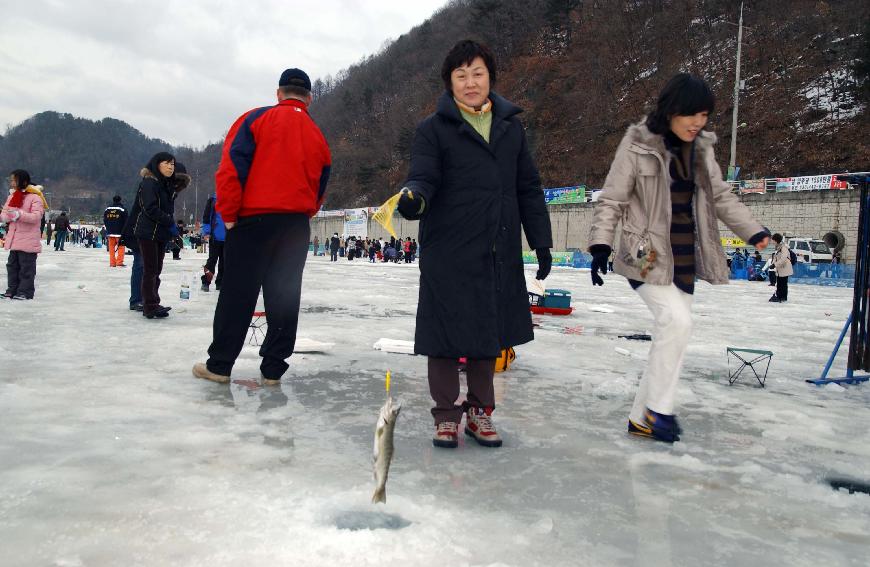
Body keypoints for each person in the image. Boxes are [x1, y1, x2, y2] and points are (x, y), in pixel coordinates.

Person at [587, 73, 770, 443]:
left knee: (673, 330)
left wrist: (754, 231)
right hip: (645, 256)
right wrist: (601, 245)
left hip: (685, 257)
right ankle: (660, 412)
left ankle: (642, 416)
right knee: (677, 321)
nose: (698, 123)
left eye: (704, 115)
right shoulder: (637, 145)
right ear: (672, 110)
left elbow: (720, 197)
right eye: (692, 115)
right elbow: (613, 198)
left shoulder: (702, 149)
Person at [396, 40, 553, 449]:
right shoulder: (432, 130)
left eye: (477, 74)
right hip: (447, 249)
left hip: (496, 248)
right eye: (461, 75)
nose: (470, 83)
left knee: (489, 333)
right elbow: (424, 177)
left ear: (490, 78)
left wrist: (541, 241)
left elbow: (528, 187)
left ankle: (480, 413)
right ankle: (446, 415)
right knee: (444, 335)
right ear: (449, 82)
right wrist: (414, 197)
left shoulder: (510, 127)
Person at [192, 67, 331, 385]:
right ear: (308, 99)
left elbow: (231, 169)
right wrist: (304, 213)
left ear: (279, 93)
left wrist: (228, 214)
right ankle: (272, 370)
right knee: (283, 295)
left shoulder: (254, 119)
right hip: (295, 225)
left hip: (253, 220)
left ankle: (221, 365)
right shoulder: (317, 135)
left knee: (237, 293)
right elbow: (321, 185)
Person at [131, 152, 182, 319]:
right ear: (157, 164)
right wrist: (169, 221)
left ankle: (154, 301)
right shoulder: (149, 183)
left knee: (156, 270)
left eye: (172, 164)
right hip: (147, 232)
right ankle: (149, 305)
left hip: (160, 233)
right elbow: (149, 208)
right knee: (150, 270)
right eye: (167, 163)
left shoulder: (165, 185)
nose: (170, 167)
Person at [1, 170, 47, 299]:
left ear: (24, 181)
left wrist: (19, 214)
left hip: (28, 240)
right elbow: (5, 213)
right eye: (11, 180)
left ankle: (25, 291)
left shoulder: (35, 198)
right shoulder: (12, 196)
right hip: (14, 239)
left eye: (14, 180)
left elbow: (36, 217)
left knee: (26, 268)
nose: (12, 183)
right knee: (12, 266)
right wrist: (5, 217)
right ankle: (12, 289)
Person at [200, 192, 227, 291]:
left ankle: (220, 283)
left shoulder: (234, 199)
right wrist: (206, 231)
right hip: (214, 237)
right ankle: (206, 282)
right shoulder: (212, 200)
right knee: (212, 260)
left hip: (228, 238)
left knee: (225, 262)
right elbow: (206, 218)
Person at [103, 195, 128, 267]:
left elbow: (105, 220)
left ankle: (112, 263)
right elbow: (126, 221)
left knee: (111, 247)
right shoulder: (122, 209)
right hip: (120, 232)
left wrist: (108, 227)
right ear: (120, 200)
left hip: (110, 232)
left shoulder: (107, 209)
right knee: (121, 246)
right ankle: (119, 262)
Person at [769, 233, 792, 303]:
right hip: (780, 269)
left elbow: (783, 259)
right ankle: (779, 296)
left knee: (783, 283)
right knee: (779, 283)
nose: (771, 241)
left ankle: (782, 297)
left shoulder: (783, 247)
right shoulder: (778, 247)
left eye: (772, 240)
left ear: (776, 240)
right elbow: (776, 258)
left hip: (785, 268)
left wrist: (775, 264)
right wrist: (773, 264)